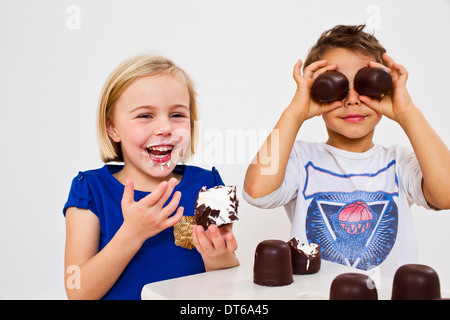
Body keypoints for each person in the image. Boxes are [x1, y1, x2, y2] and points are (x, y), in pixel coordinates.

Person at [243, 25, 450, 276]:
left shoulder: (399, 162)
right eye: (336, 86)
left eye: (364, 85)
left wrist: (407, 113)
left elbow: (446, 194)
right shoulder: (301, 159)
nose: (351, 99)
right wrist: (295, 112)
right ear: (318, 92)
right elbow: (256, 192)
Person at [63, 54, 239, 300]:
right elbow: (77, 292)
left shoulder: (208, 185)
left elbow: (227, 284)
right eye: (145, 115)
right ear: (112, 128)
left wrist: (216, 255)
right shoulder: (90, 190)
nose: (165, 128)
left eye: (177, 115)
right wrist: (132, 233)